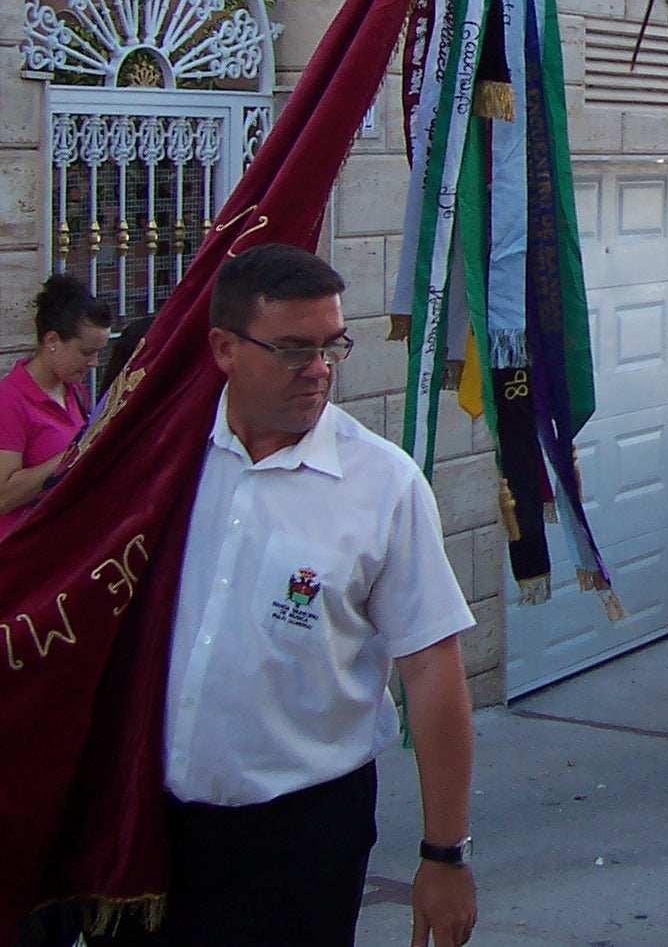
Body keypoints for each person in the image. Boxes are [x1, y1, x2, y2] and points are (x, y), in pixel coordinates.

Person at [151, 245, 477, 947]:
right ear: (224, 349)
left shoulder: (382, 485)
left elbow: (431, 667)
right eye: (296, 349)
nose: (321, 369)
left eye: (333, 346)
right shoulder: (167, 462)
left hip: (299, 839)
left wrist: (444, 853)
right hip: (153, 829)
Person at [0, 275, 112, 542]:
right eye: (86, 353)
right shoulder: (11, 399)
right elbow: (3, 496)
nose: (94, 363)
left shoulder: (75, 392)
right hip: (21, 556)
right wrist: (71, 456)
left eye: (98, 353)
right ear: (52, 340)